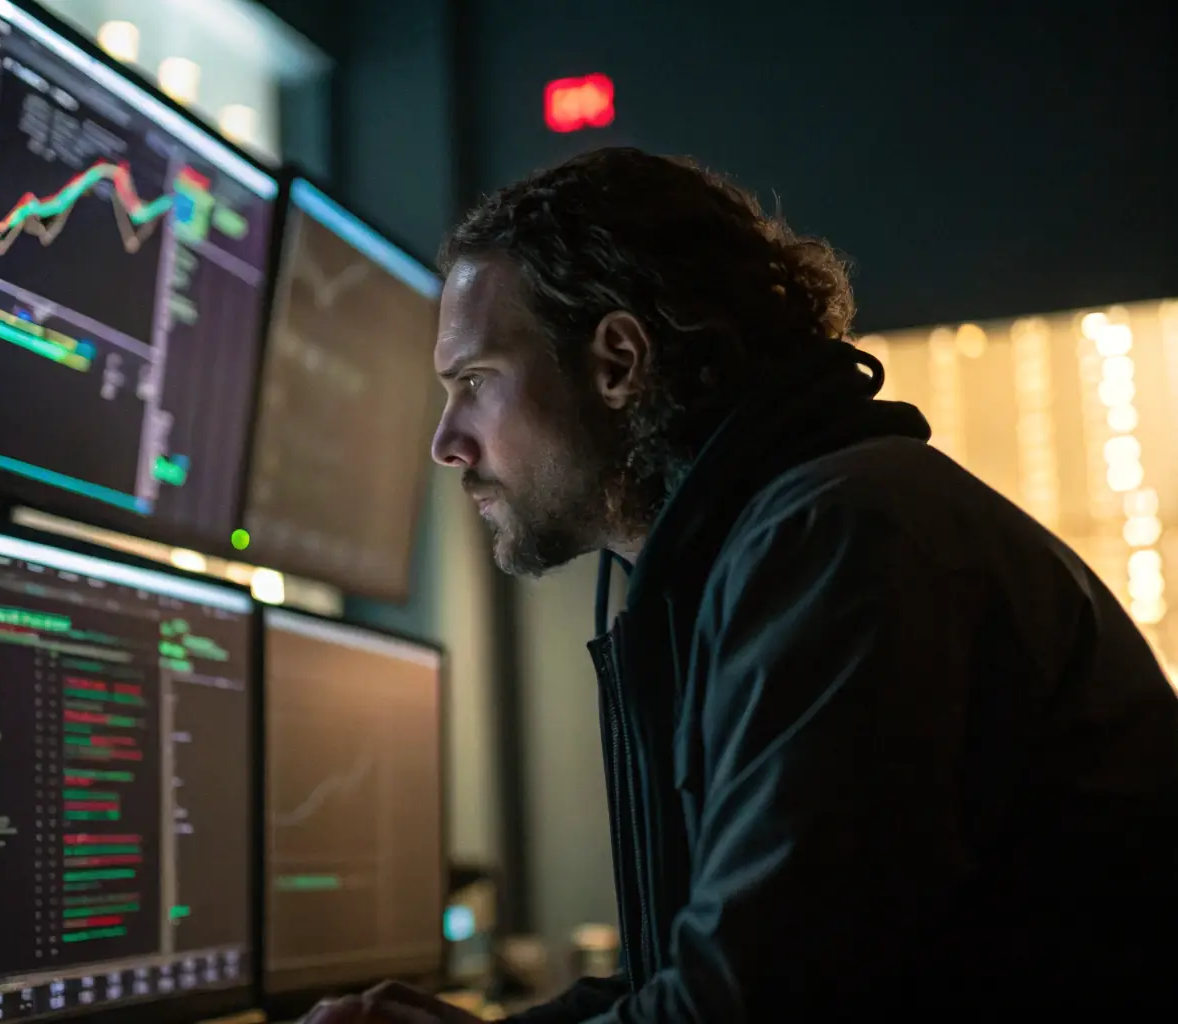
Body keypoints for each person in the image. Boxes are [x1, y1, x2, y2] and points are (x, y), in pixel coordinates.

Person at [306, 147, 1178, 1022]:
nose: (446, 441)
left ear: (616, 361)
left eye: (473, 381)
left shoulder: (843, 538)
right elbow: (712, 967)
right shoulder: (781, 538)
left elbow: (754, 1004)